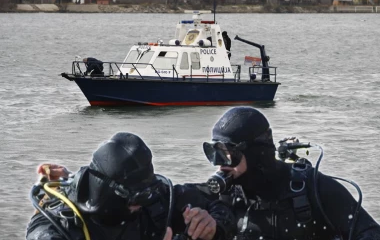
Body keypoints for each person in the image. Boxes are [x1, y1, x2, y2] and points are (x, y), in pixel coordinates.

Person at [201, 106, 380, 240]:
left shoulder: (313, 189)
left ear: (256, 155)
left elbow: (370, 233)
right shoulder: (221, 198)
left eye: (231, 157)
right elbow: (177, 199)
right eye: (216, 156)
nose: (221, 167)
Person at [26, 132, 236, 240]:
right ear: (110, 194)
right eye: (137, 198)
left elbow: (215, 200)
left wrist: (213, 225)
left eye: (147, 193)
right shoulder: (54, 228)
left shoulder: (151, 200)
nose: (143, 203)